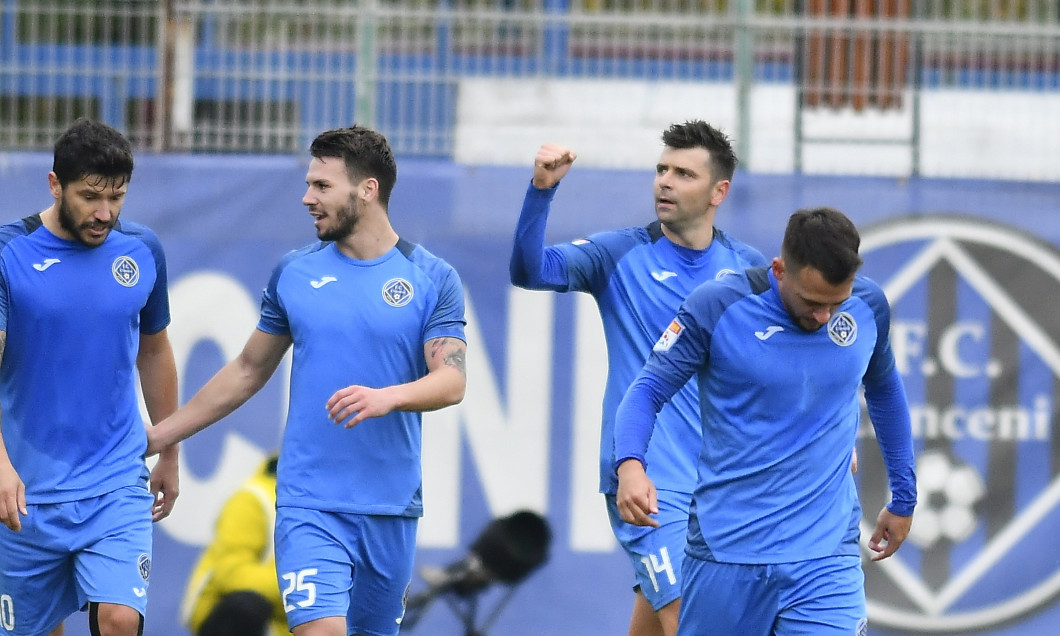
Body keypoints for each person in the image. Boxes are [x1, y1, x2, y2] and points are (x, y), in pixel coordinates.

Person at [146, 125, 467, 636]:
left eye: (322, 186)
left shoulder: (433, 277)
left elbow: (450, 381)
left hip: (391, 507)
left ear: (368, 189)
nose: (307, 198)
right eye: (308, 183)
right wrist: (160, 438)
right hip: (309, 503)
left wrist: (387, 397)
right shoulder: (294, 273)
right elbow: (248, 370)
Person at [510, 121, 767, 636]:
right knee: (692, 619)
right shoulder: (618, 254)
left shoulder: (748, 269)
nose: (665, 182)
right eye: (661, 169)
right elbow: (529, 269)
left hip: (721, 487)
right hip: (649, 483)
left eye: (683, 173)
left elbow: (780, 365)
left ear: (720, 192)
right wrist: (541, 191)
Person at [614, 207, 917, 635]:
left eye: (836, 303)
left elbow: (885, 389)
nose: (824, 317)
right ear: (779, 269)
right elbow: (647, 390)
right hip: (727, 553)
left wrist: (904, 495)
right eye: (812, 303)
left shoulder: (869, 308)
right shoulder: (716, 306)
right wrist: (630, 465)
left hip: (825, 558)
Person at [0, 118, 180, 636]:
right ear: (55, 185)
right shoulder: (9, 254)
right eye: (90, 196)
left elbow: (155, 350)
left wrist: (169, 448)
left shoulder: (142, 251)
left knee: (120, 619)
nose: (105, 213)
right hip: (26, 491)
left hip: (115, 482)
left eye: (118, 198)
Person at [181, 454, 285, 636]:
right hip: (227, 619)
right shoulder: (255, 498)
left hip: (289, 624)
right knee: (246, 606)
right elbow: (230, 573)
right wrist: (305, 586)